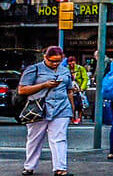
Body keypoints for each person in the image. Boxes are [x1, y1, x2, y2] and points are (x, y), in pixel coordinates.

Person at [19, 46, 80, 176]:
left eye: (58, 61)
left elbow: (69, 90)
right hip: (39, 109)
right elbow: (22, 90)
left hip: (62, 108)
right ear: (45, 57)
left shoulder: (65, 71)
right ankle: (29, 166)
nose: (55, 64)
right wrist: (44, 85)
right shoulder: (34, 69)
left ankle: (60, 168)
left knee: (59, 138)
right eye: (52, 61)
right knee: (35, 138)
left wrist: (72, 108)